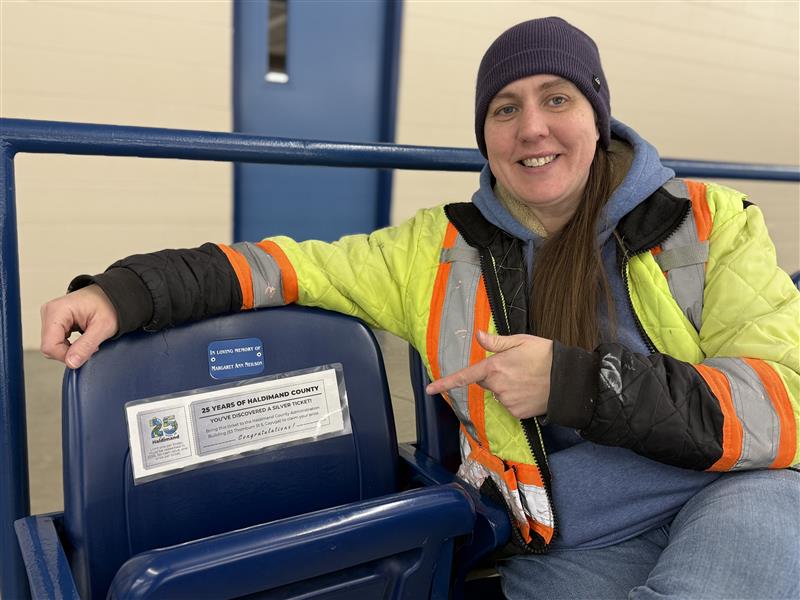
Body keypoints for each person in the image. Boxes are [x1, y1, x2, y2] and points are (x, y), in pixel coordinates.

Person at [41, 17, 799, 600]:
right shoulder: (433, 249)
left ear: (597, 115)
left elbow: (780, 404)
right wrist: (122, 291)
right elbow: (286, 268)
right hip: (572, 541)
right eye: (506, 109)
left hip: (733, 492)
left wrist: (575, 382)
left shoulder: (709, 221)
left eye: (556, 99)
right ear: (486, 137)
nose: (532, 127)